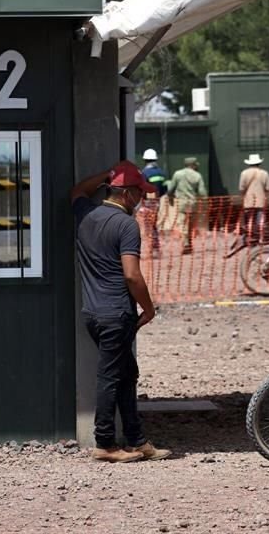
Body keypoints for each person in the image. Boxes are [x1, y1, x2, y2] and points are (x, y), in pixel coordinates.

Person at [70, 160, 171, 463]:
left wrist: (108, 174)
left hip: (93, 312)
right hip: (116, 313)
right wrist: (149, 309)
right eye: (139, 192)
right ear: (127, 193)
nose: (142, 198)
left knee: (126, 373)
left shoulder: (86, 214)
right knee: (111, 376)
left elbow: (76, 191)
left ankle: (138, 440)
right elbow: (132, 275)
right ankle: (104, 443)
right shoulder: (126, 225)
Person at [167, 157, 207, 254]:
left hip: (181, 202)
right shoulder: (197, 175)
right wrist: (205, 201)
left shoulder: (177, 174)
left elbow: (171, 188)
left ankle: (185, 244)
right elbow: (202, 192)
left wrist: (170, 197)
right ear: (193, 165)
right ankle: (189, 244)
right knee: (190, 225)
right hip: (192, 203)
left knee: (182, 223)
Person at [238, 153, 269, 246]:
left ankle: (249, 238)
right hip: (261, 201)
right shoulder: (264, 173)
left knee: (249, 220)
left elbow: (241, 188)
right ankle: (260, 238)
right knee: (260, 221)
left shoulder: (244, 173)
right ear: (259, 163)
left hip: (248, 201)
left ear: (249, 163)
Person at [140, 148, 168, 252]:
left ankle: (152, 246)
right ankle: (155, 244)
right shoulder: (161, 173)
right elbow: (164, 189)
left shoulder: (144, 173)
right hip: (157, 201)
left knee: (148, 224)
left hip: (147, 202)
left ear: (145, 160)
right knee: (154, 222)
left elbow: (142, 188)